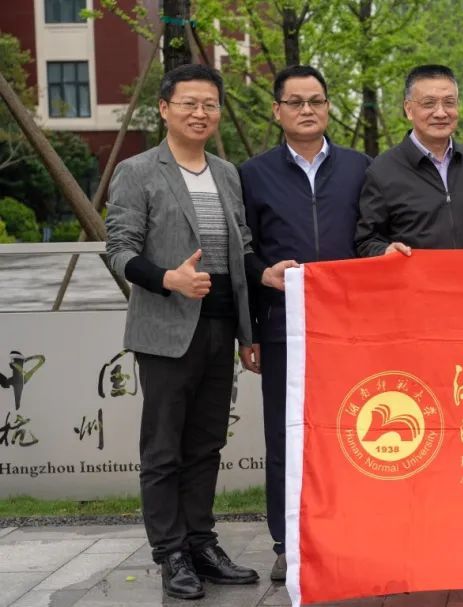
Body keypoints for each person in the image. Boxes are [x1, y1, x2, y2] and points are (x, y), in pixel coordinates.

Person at [105, 63, 260, 600]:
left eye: (210, 105)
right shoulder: (138, 171)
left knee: (207, 444)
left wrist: (248, 329)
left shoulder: (227, 173)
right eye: (189, 103)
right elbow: (118, 249)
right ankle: (170, 553)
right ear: (164, 109)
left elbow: (241, 250)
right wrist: (167, 278)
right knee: (163, 449)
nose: (200, 113)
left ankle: (201, 543)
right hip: (167, 330)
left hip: (221, 326)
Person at [239, 65, 372, 582]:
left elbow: (374, 237)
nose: (307, 110)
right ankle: (287, 541)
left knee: (353, 431)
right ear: (277, 111)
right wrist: (254, 319)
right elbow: (243, 251)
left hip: (352, 328)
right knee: (286, 435)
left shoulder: (361, 168)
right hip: (283, 327)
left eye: (315, 100)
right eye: (295, 102)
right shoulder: (253, 174)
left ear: (329, 106)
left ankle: (353, 533)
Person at [355, 64, 463, 257]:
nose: (441, 113)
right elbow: (366, 240)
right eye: (429, 103)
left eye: (449, 103)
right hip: (414, 277)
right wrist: (384, 250)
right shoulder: (382, 171)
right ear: (409, 109)